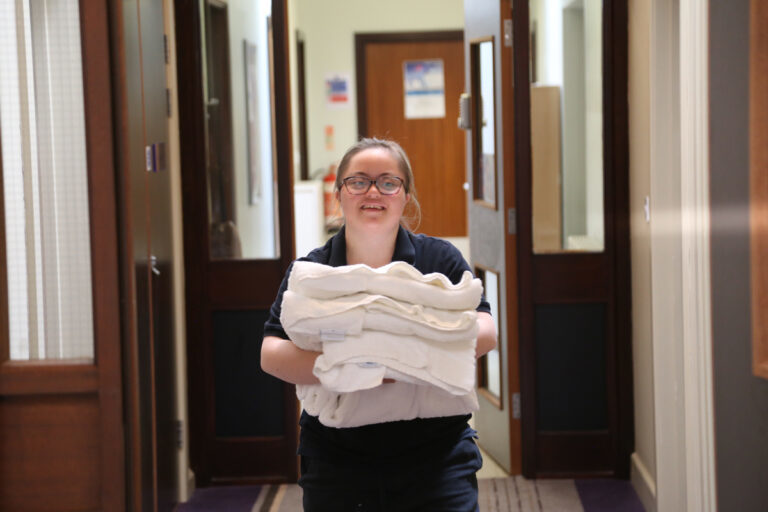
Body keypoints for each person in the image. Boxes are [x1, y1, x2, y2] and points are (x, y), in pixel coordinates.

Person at [261, 137, 497, 511]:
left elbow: (485, 331)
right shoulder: (312, 273)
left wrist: (395, 360)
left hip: (437, 456)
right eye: (358, 181)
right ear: (339, 194)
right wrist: (359, 366)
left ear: (406, 196)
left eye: (389, 182)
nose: (374, 191)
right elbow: (272, 354)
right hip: (338, 460)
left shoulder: (440, 261)